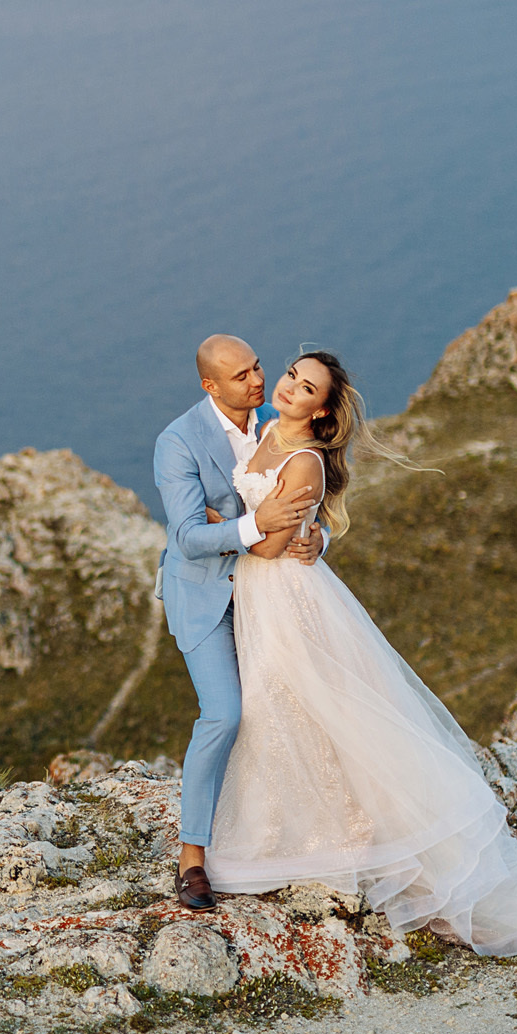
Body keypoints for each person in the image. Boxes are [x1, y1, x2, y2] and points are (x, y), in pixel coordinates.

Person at [200, 349, 517, 968]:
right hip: (262, 597)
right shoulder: (264, 431)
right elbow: (265, 512)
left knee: (294, 701)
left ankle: (333, 842)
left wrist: (227, 524)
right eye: (289, 377)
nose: (288, 389)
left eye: (305, 388)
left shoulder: (305, 462)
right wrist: (269, 525)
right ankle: (296, 831)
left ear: (323, 408)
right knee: (279, 708)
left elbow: (275, 545)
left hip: (285, 595)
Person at [151, 335, 325, 911]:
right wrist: (255, 524)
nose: (257, 381)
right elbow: (186, 537)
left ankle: (289, 832)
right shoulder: (177, 442)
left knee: (295, 705)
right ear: (209, 386)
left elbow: (318, 485)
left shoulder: (279, 421)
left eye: (258, 368)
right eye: (240, 376)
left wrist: (318, 535)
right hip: (204, 597)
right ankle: (192, 857)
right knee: (225, 713)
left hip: (265, 598)